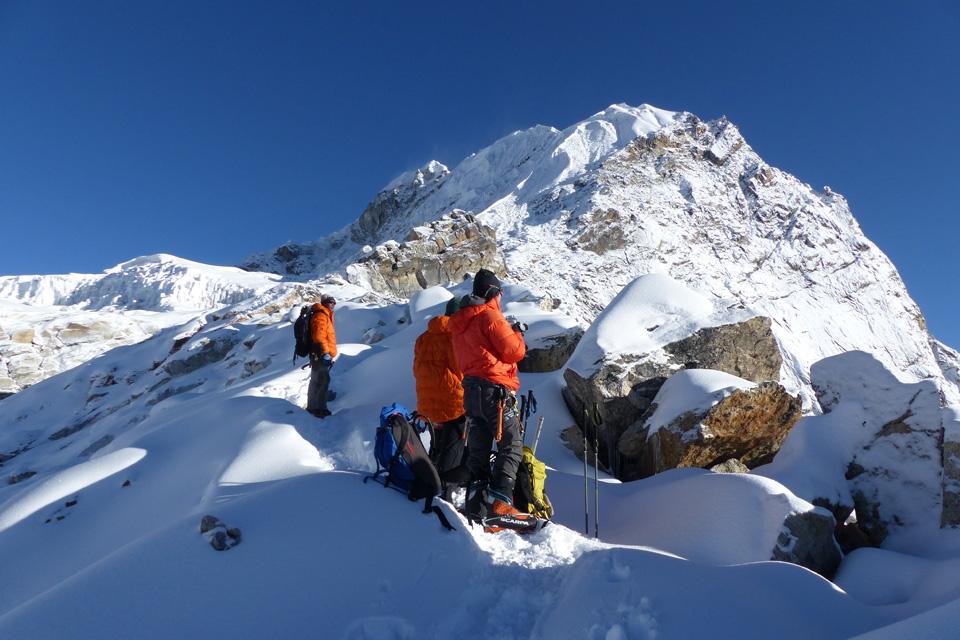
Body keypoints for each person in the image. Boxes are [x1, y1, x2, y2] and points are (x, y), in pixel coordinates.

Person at [448, 269, 528, 525]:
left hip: (471, 390)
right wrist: (516, 332)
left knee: (478, 449)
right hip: (495, 391)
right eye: (500, 293)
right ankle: (500, 504)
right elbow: (514, 352)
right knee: (512, 445)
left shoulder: (460, 323)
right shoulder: (490, 316)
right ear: (494, 292)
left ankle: (475, 504)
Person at [413, 297, 467, 483]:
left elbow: (416, 370)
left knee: (436, 448)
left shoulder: (423, 338)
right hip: (454, 405)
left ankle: (428, 481)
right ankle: (443, 491)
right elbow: (462, 370)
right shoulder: (455, 336)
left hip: (427, 404)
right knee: (452, 452)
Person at [307, 294, 337, 418]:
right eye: (330, 302)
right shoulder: (321, 315)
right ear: (324, 302)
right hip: (319, 354)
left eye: (334, 302)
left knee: (321, 380)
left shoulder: (324, 314)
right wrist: (325, 353)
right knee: (320, 380)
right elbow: (319, 336)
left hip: (320, 353)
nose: (333, 304)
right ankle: (317, 409)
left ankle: (317, 406)